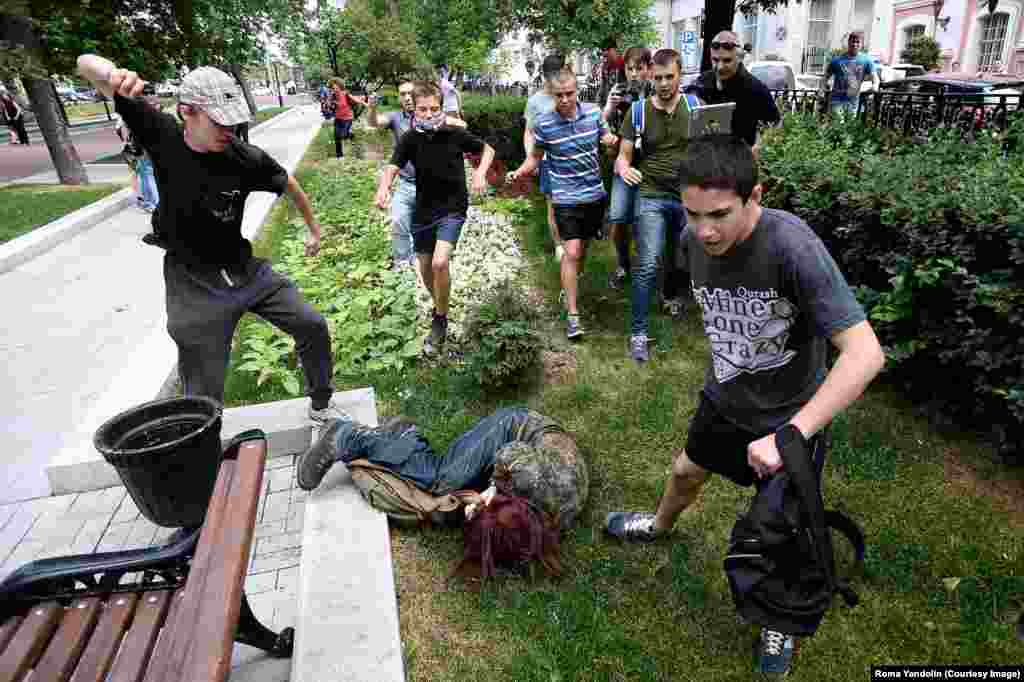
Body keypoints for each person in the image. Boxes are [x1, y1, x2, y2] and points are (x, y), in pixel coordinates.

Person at [605, 134, 886, 674]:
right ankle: (659, 527)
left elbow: (866, 354)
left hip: (789, 422)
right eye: (692, 214)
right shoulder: (694, 239)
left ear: (754, 195)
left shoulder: (792, 246)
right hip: (726, 397)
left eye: (719, 214)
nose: (705, 229)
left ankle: (779, 624)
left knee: (782, 533)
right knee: (686, 472)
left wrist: (793, 434)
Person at [76, 54, 350, 424]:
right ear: (187, 112)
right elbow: (84, 63)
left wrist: (314, 230)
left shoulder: (244, 156)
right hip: (192, 280)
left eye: (234, 122)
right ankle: (201, 438)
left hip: (244, 269)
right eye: (220, 122)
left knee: (311, 324)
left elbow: (290, 185)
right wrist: (115, 75)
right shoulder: (161, 133)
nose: (230, 131)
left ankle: (322, 405)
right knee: (202, 374)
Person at [374, 81, 495, 356]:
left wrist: (479, 173)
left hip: (453, 207)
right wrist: (383, 188)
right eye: (422, 109)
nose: (429, 115)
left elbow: (488, 149)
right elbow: (393, 165)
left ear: (441, 107)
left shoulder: (453, 133)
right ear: (412, 109)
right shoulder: (409, 138)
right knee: (426, 268)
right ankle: (440, 305)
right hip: (423, 210)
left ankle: (439, 320)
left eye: (434, 109)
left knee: (440, 262)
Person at [508, 66, 617, 340]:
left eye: (569, 94)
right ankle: (573, 315)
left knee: (583, 250)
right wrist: (520, 171)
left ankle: (571, 284)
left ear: (576, 91)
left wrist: (611, 142)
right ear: (552, 94)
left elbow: (606, 141)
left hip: (594, 194)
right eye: (559, 95)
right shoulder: (544, 123)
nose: (565, 100)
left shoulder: (593, 113)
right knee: (571, 251)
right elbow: (536, 158)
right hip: (565, 196)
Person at [616, 48, 691, 363]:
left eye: (669, 77)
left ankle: (672, 295)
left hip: (687, 196)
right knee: (647, 262)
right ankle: (638, 332)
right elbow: (623, 155)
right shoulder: (638, 111)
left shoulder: (696, 107)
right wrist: (623, 167)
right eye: (658, 77)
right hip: (651, 193)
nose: (663, 83)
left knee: (679, 253)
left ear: (679, 75)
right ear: (651, 76)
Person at [366, 80, 466, 270]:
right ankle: (403, 262)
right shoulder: (396, 118)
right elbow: (374, 122)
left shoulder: (435, 115)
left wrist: (443, 121)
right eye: (402, 94)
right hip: (406, 183)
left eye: (410, 93)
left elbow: (461, 125)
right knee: (399, 220)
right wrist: (371, 108)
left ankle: (430, 258)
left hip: (433, 186)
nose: (406, 98)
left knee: (431, 226)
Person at [603, 46, 654, 291]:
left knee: (644, 220)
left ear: (649, 69)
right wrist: (610, 108)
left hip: (650, 165)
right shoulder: (618, 92)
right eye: (629, 69)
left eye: (639, 68)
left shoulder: (657, 91)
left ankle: (647, 268)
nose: (634, 74)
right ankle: (623, 264)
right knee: (618, 216)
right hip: (623, 164)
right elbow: (602, 126)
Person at [684, 32, 780, 157]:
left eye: (727, 60)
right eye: (715, 60)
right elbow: (686, 103)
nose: (720, 66)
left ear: (739, 58)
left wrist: (759, 147)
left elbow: (774, 124)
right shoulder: (702, 81)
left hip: (741, 162)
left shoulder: (755, 88)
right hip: (707, 160)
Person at [523, 54, 566, 262]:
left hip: (569, 158)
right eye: (550, 77)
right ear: (544, 76)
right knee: (553, 203)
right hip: (547, 160)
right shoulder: (535, 101)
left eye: (557, 76)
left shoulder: (568, 95)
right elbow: (529, 132)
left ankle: (573, 241)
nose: (553, 82)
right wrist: (532, 159)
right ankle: (559, 245)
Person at [823, 33, 878, 115]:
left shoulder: (866, 60)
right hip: (837, 99)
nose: (855, 44)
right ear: (848, 42)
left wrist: (875, 85)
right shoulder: (837, 60)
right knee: (838, 123)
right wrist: (821, 89)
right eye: (852, 41)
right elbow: (825, 77)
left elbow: (875, 77)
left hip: (854, 100)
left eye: (857, 42)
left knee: (849, 125)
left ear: (861, 44)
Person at [329, 78, 367, 158]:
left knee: (343, 135)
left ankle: (351, 135)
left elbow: (355, 100)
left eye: (335, 87)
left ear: (340, 86)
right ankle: (339, 156)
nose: (334, 89)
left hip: (347, 118)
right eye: (332, 88)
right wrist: (330, 105)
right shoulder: (333, 96)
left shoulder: (345, 93)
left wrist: (364, 103)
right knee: (337, 137)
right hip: (338, 119)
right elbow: (331, 106)